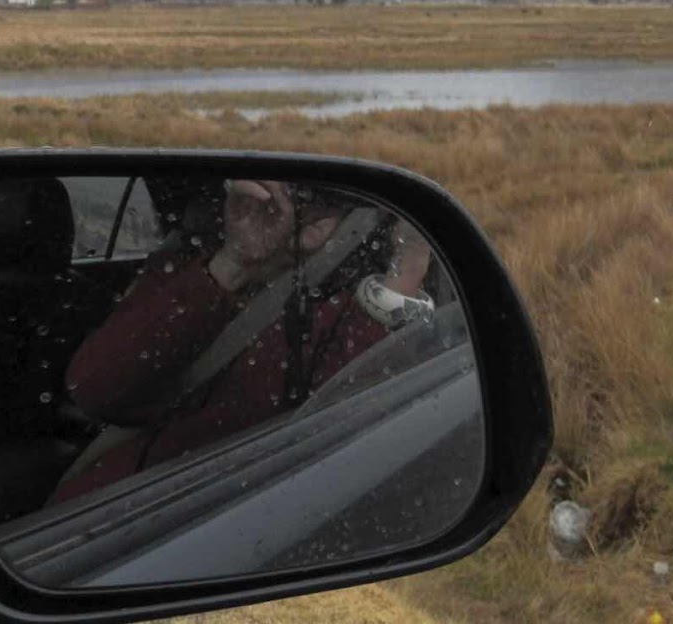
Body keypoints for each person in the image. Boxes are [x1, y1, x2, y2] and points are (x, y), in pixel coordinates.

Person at [54, 178, 433, 504]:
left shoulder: (355, 306)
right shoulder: (193, 258)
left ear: (359, 216)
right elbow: (93, 387)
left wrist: (408, 264)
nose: (295, 201)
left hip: (207, 519)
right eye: (288, 183)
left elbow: (347, 436)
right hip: (101, 505)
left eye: (319, 195)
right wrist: (234, 264)